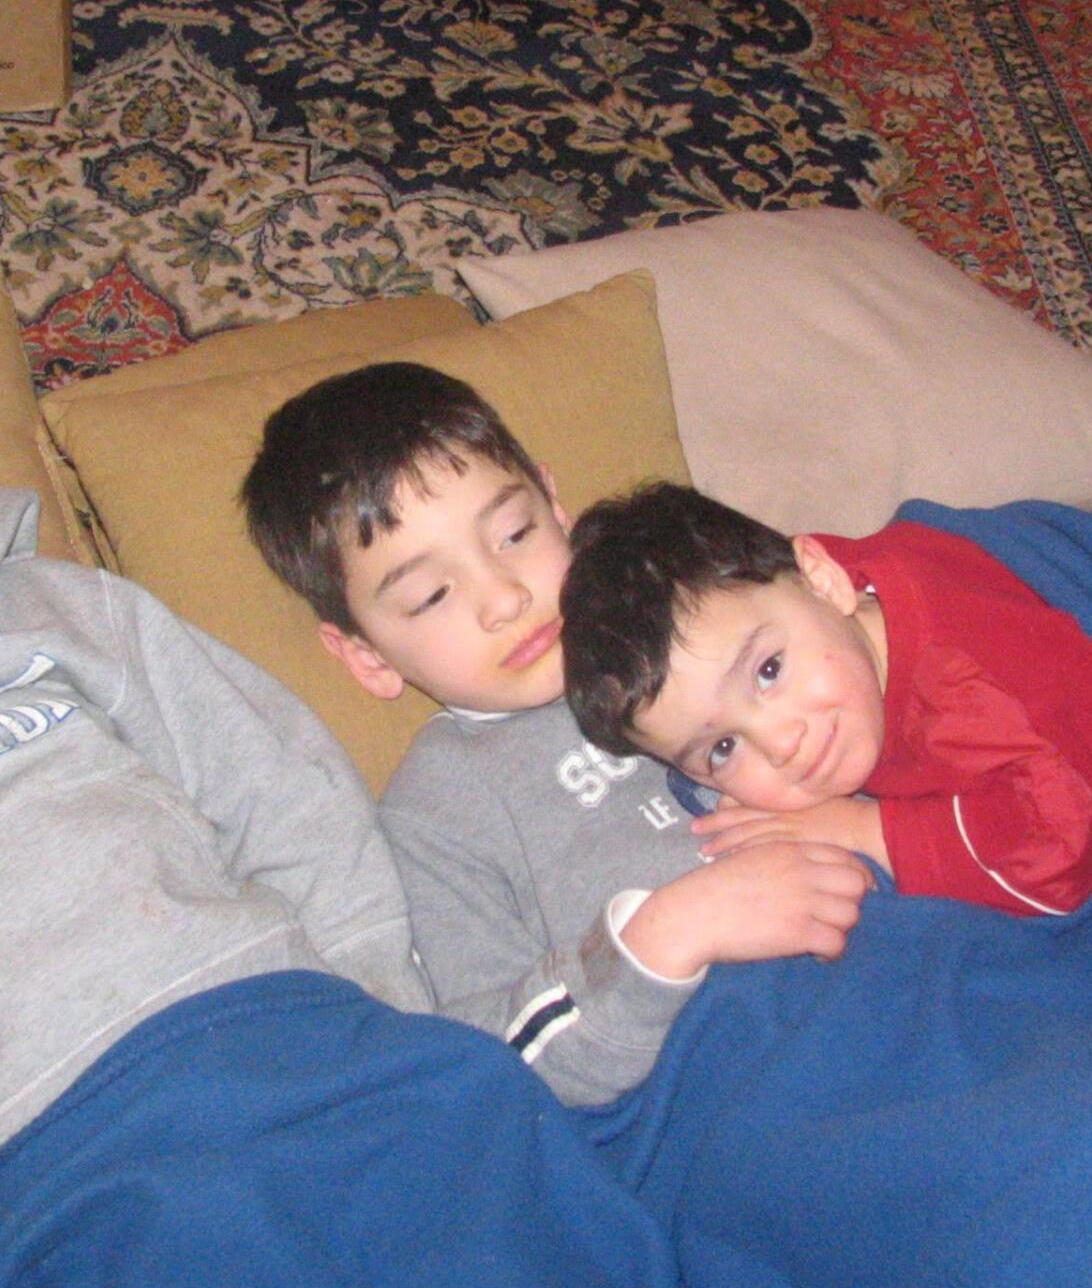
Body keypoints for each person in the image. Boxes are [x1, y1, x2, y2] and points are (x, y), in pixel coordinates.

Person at [0, 346, 681, 1288]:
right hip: (32, 1135)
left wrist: (383, 1003)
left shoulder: (57, 611)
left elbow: (277, 787)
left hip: (289, 1019)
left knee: (507, 1180)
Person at [240, 362, 871, 1106]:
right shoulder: (436, 813)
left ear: (556, 506)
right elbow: (481, 1066)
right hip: (755, 1087)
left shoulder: (700, 609)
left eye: (514, 534)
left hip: (920, 949)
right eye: (432, 594)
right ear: (368, 659)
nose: (504, 597)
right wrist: (663, 937)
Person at [560, 481, 1092, 917]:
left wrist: (859, 828)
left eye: (769, 671)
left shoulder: (959, 694)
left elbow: (1061, 853)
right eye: (723, 748)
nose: (781, 744)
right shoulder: (794, 599)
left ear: (824, 578)